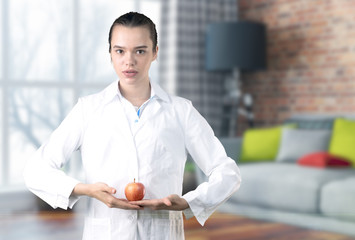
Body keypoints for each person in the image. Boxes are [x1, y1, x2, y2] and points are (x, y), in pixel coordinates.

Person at [24, 12, 241, 240]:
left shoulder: (181, 111)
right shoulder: (87, 110)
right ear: (110, 53)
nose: (129, 61)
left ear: (155, 52)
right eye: (120, 51)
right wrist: (88, 190)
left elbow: (227, 172)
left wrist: (188, 202)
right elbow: (36, 171)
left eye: (140, 51)